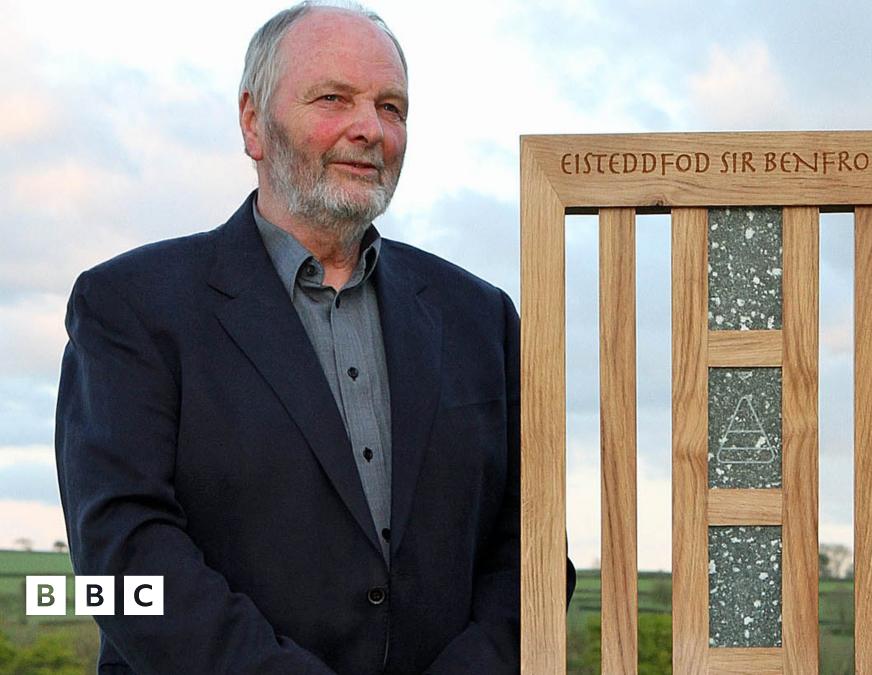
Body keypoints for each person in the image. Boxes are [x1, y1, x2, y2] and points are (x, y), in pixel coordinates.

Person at [54, 2, 573, 672]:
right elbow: (122, 559)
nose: (370, 129)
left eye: (391, 107)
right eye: (334, 98)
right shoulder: (129, 306)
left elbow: (534, 549)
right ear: (253, 122)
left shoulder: (484, 318)